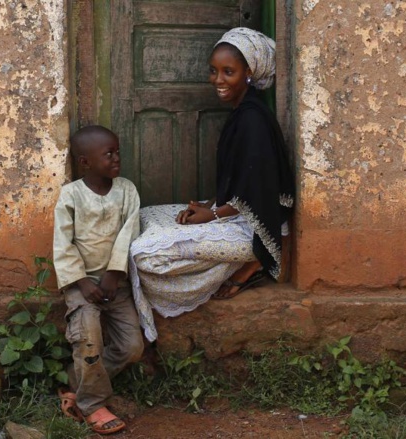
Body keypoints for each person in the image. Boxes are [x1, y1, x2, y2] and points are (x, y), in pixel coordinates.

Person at [129, 27, 295, 342]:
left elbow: (260, 192)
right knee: (145, 217)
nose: (217, 80)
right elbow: (243, 181)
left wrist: (215, 215)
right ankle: (229, 264)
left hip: (254, 229)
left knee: (143, 256)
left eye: (228, 72)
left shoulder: (254, 121)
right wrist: (210, 205)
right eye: (213, 71)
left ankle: (248, 264)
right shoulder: (244, 113)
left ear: (249, 73)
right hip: (234, 214)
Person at [52, 125, 144, 435]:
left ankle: (75, 380)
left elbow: (129, 232)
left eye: (117, 151)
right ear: (85, 162)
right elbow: (62, 243)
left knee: (132, 347)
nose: (116, 157)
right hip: (82, 286)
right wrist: (82, 282)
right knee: (88, 338)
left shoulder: (126, 190)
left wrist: (114, 274)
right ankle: (92, 404)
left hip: (114, 284)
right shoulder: (71, 195)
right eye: (108, 154)